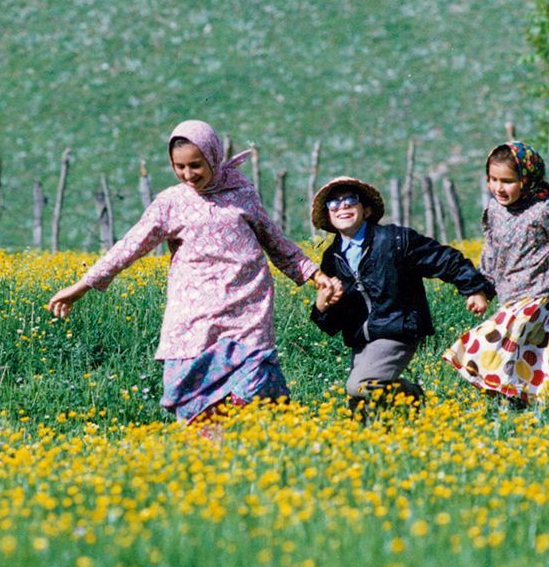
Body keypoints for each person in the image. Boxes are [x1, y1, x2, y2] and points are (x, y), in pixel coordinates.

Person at [46, 120, 336, 423]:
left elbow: (275, 241)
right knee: (195, 400)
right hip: (194, 317)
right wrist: (82, 286)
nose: (188, 175)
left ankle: (262, 442)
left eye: (196, 165)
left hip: (247, 313)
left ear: (213, 157)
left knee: (257, 389)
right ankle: (208, 449)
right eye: (179, 167)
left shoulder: (242, 193)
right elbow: (129, 246)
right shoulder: (171, 203)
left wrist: (315, 275)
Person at [442, 141, 549, 406]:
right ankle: (543, 403)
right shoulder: (495, 209)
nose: (499, 188)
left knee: (490, 342)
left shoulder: (546, 209)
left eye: (508, 181)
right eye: (493, 179)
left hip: (543, 296)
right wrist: (482, 290)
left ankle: (506, 399)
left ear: (526, 179)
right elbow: (491, 253)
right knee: (536, 357)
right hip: (513, 296)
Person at [309, 175, 494, 417]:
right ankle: (394, 423)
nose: (342, 206)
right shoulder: (332, 258)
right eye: (333, 203)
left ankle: (412, 395)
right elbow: (334, 322)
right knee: (361, 403)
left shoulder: (395, 240)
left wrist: (474, 288)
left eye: (350, 200)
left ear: (366, 210)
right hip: (362, 339)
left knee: (360, 386)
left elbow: (443, 259)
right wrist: (322, 307)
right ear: (329, 215)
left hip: (397, 328)